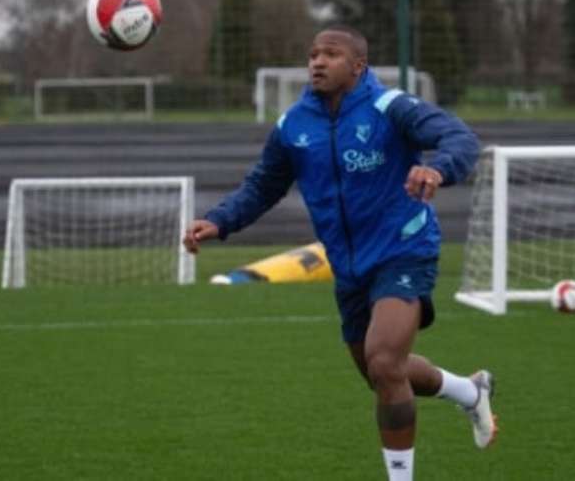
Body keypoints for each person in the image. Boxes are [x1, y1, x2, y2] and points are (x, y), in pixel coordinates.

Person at [183, 26, 495, 481]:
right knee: (380, 371)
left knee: (386, 363)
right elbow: (263, 185)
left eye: (330, 54)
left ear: (358, 66)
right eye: (312, 54)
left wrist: (437, 169)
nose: (317, 62)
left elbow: (460, 140)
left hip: (403, 247)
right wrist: (220, 219)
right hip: (348, 265)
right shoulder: (293, 125)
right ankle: (469, 391)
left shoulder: (390, 107)